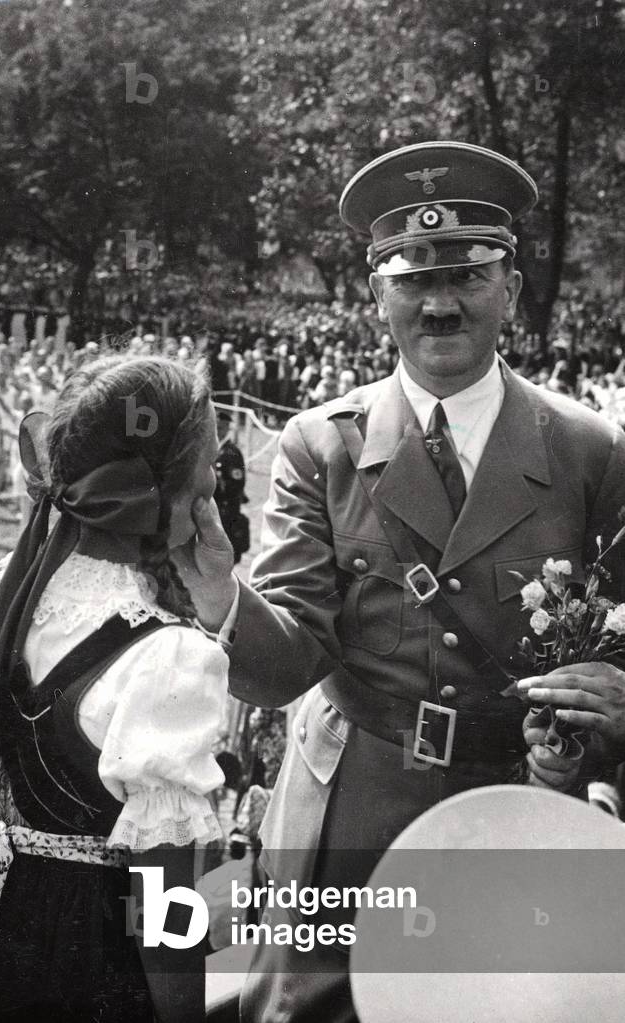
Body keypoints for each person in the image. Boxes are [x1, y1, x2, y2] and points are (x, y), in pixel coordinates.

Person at [172, 141, 625, 1021]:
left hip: (517, 804)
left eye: (466, 275)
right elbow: (287, 658)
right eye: (413, 279)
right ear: (376, 294)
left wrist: (609, 701)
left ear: (511, 289)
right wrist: (224, 597)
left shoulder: (589, 451)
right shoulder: (321, 446)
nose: (439, 303)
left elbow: (619, 634)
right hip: (355, 800)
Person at [0, 355, 228, 1023]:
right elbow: (164, 914)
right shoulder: (170, 658)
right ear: (174, 487)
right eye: (210, 464)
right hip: (87, 970)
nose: (215, 480)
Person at [214, 413, 249, 564]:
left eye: (221, 428)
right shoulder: (211, 448)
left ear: (227, 428)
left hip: (227, 510)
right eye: (215, 427)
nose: (217, 431)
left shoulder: (231, 453)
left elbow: (237, 483)